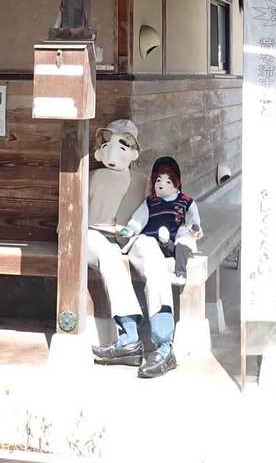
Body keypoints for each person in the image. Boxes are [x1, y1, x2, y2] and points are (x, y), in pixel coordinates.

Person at [86, 130, 184, 379]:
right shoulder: (89, 177)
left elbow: (157, 209)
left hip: (131, 234)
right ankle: (128, 337)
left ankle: (164, 345)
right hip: (94, 235)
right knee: (109, 257)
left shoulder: (142, 181)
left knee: (152, 253)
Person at [123, 156, 202, 285]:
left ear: (176, 183)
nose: (161, 185)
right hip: (153, 241)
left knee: (184, 242)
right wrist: (130, 229)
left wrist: (194, 228)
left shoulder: (185, 201)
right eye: (158, 180)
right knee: (146, 245)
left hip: (175, 240)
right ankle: (164, 245)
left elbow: (193, 219)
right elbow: (139, 218)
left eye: (168, 181)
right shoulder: (150, 202)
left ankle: (181, 275)